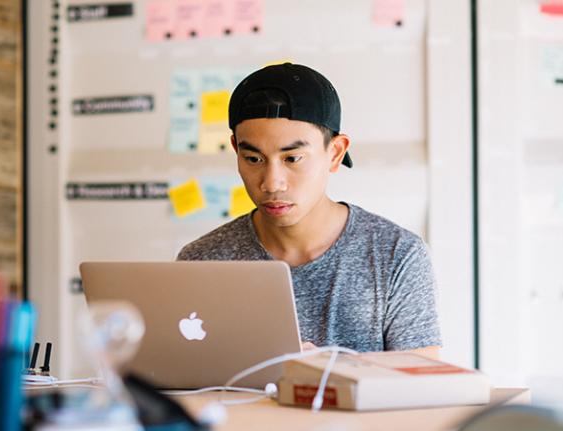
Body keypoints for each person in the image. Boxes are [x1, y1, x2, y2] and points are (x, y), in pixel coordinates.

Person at [177, 63, 441, 358]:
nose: (271, 183)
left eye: (292, 158)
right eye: (253, 159)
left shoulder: (396, 254)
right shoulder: (201, 261)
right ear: (235, 149)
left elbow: (422, 380)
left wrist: (325, 369)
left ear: (335, 152)